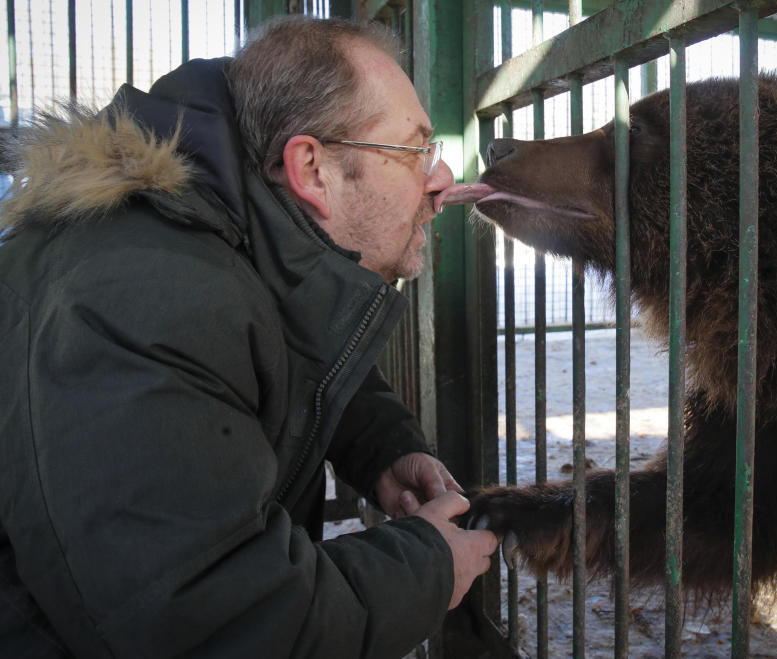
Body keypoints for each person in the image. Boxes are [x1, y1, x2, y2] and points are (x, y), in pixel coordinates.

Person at [0, 16, 499, 659]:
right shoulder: (145, 303)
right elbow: (216, 623)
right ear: (311, 167)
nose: (440, 178)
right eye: (413, 151)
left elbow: (278, 342)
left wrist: (380, 447)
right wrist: (428, 568)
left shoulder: (209, 231)